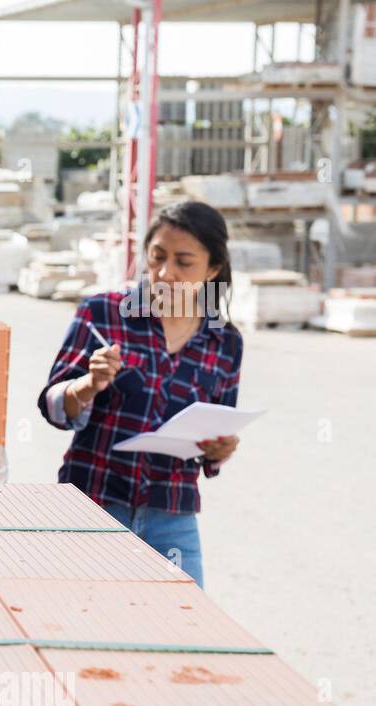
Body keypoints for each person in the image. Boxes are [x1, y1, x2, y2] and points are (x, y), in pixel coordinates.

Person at [37, 200, 245, 588]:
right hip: (92, 504)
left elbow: (218, 426)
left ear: (212, 270)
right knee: (82, 623)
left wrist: (219, 450)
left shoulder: (225, 342)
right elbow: (53, 405)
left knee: (183, 630)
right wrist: (85, 386)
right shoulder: (103, 312)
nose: (166, 273)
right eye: (157, 257)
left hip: (172, 515)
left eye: (184, 262)